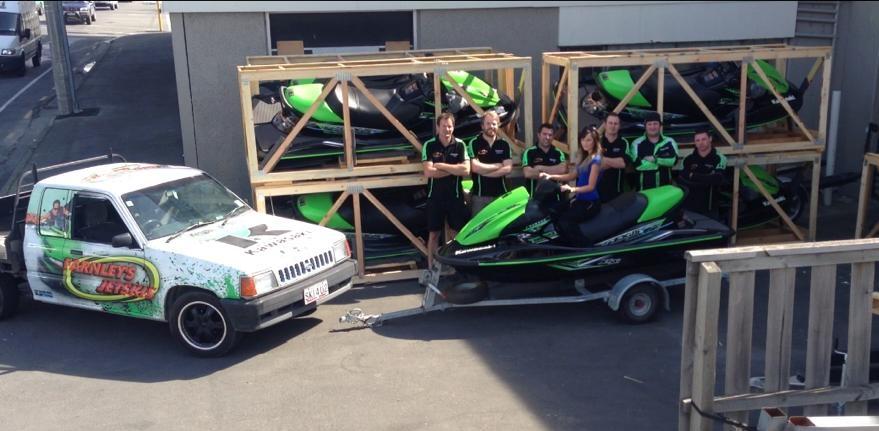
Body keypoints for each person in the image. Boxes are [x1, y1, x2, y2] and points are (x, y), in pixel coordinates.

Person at [422, 112, 471, 267]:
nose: (447, 129)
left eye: (449, 126)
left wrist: (442, 166)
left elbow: (466, 170)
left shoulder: (460, 144)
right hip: (434, 197)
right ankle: (432, 267)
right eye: (443, 126)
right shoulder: (429, 145)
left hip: (455, 197)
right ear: (438, 127)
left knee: (456, 234)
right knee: (434, 235)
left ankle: (455, 267)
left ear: (453, 127)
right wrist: (454, 169)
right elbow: (429, 172)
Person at [541, 127, 603, 245]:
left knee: (566, 221)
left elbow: (591, 186)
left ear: (595, 142)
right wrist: (550, 176)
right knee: (554, 213)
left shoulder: (595, 160)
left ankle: (585, 248)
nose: (585, 143)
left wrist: (572, 189)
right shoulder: (584, 157)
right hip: (580, 199)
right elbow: (571, 176)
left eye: (589, 140)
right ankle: (563, 244)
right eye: (583, 140)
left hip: (590, 203)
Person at [467, 110, 513, 216]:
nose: (491, 126)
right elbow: (475, 167)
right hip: (480, 196)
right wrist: (497, 166)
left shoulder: (504, 144)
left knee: (500, 229)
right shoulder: (474, 143)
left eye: (494, 123)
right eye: (488, 123)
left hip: (501, 196)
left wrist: (485, 172)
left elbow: (508, 168)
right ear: (482, 126)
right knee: (479, 230)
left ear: (498, 125)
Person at [678, 128, 728, 218]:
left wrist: (692, 176)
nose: (700, 142)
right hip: (689, 207)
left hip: (710, 208)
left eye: (703, 139)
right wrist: (707, 178)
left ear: (710, 139)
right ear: (695, 142)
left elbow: (717, 179)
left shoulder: (719, 158)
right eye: (698, 140)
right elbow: (681, 178)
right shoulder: (688, 158)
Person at [627, 112, 679, 190]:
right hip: (644, 191)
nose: (652, 127)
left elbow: (673, 160)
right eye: (649, 124)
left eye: (655, 124)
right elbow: (638, 165)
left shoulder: (669, 141)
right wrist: (662, 163)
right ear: (645, 126)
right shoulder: (637, 143)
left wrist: (655, 159)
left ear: (660, 125)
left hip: (665, 190)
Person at [523, 123, 567, 197]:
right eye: (544, 134)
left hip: (555, 198)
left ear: (553, 137)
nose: (547, 137)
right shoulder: (529, 152)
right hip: (534, 198)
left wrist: (539, 168)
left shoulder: (558, 153)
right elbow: (527, 173)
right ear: (539, 135)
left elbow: (563, 169)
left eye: (550, 135)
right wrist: (554, 170)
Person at [597, 112, 630, 203]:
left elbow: (623, 163)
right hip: (597, 191)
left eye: (616, 124)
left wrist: (603, 160)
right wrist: (615, 162)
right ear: (605, 124)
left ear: (619, 126)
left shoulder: (623, 142)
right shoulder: (598, 141)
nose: (613, 126)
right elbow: (595, 165)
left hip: (617, 192)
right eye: (610, 123)